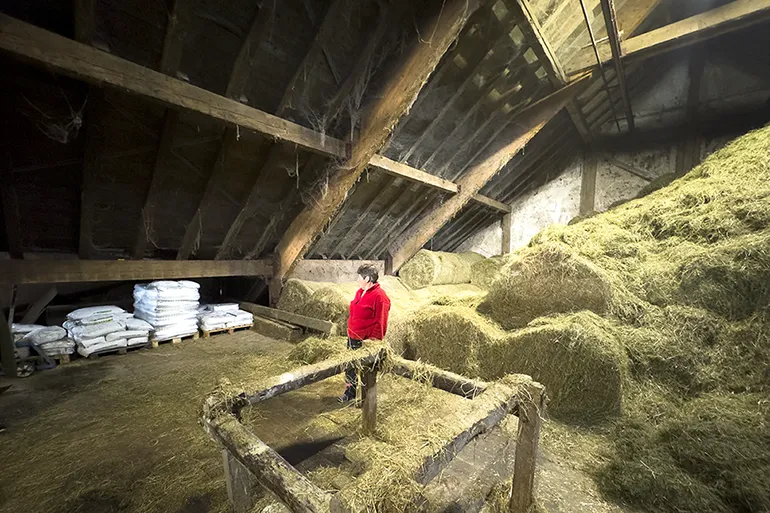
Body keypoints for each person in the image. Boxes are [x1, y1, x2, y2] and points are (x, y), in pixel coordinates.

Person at [339, 264, 391, 403]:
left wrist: (374, 342)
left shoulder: (380, 297)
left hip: (365, 340)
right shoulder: (359, 292)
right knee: (350, 366)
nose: (357, 280)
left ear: (367, 278)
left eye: (359, 277)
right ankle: (350, 392)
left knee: (365, 369)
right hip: (352, 336)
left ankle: (366, 397)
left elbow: (381, 322)